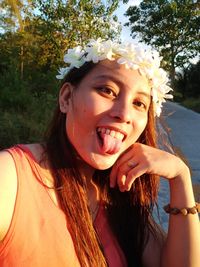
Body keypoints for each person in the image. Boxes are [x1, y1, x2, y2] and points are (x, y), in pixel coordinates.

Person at [0, 39, 199, 267]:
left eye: (139, 103)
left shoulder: (121, 201)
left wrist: (180, 176)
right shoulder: (12, 177)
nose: (124, 114)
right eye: (107, 90)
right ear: (66, 98)